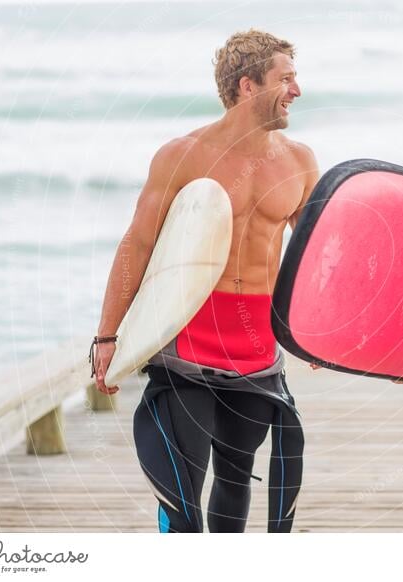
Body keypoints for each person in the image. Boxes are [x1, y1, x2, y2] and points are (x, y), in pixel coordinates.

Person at [90, 29, 320, 533]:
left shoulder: (300, 162)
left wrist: (325, 338)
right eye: (286, 78)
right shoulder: (182, 155)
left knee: (236, 480)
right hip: (186, 345)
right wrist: (108, 336)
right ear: (247, 86)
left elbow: (315, 259)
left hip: (257, 352)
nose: (297, 90)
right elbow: (138, 244)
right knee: (181, 494)